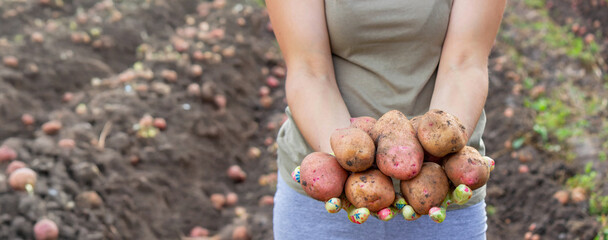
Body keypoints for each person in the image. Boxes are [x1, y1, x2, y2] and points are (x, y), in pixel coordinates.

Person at [267, 0, 506, 239]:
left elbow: (465, 62)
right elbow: (308, 69)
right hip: (324, 188)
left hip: (444, 187)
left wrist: (440, 157)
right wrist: (344, 164)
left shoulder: (441, 173)